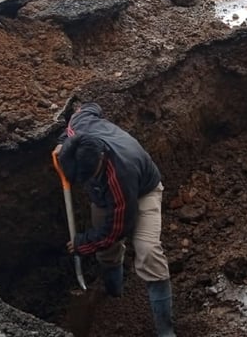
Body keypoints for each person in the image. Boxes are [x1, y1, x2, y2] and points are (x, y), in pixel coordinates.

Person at [56, 102, 176, 337]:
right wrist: (62, 143)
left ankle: (165, 330)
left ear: (100, 159)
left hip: (143, 192)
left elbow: (116, 229)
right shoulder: (80, 127)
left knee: (148, 252)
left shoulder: (120, 174)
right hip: (103, 195)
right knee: (106, 252)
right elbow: (89, 107)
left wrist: (83, 243)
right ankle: (114, 298)